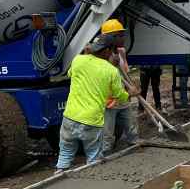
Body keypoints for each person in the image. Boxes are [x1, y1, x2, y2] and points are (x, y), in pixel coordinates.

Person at [56, 33, 129, 172]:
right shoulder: (111, 71)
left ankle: (58, 176)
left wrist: (85, 54)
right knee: (93, 159)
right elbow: (119, 95)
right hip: (92, 121)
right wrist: (130, 93)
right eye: (112, 51)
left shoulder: (78, 60)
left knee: (65, 154)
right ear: (107, 51)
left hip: (70, 117)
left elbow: (71, 74)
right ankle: (91, 184)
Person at [99, 19, 139, 153]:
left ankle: (134, 146)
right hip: (109, 100)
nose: (123, 38)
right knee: (107, 132)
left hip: (123, 97)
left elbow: (125, 72)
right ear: (110, 38)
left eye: (122, 35)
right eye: (119, 35)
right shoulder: (100, 54)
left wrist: (131, 87)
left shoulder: (121, 52)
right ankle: (105, 155)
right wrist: (110, 63)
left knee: (131, 125)